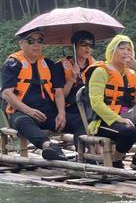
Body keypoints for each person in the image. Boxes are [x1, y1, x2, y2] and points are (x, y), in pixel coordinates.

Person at [85, 34, 136, 172]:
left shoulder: (131, 73)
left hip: (129, 117)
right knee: (129, 131)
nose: (126, 52)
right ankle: (116, 160)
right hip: (104, 121)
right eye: (121, 48)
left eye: (129, 49)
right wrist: (119, 119)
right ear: (112, 51)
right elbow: (96, 102)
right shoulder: (101, 71)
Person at [0, 30, 84, 160]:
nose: (36, 44)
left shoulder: (50, 65)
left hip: (49, 113)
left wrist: (61, 113)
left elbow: (58, 91)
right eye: (31, 41)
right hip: (23, 113)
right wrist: (29, 111)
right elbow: (6, 93)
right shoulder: (12, 64)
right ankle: (49, 147)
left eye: (39, 41)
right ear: (21, 44)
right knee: (21, 121)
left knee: (80, 120)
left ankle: (83, 154)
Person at [56, 30, 96, 118]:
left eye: (91, 45)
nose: (88, 48)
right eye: (84, 44)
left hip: (92, 105)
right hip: (72, 108)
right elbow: (61, 96)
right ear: (74, 45)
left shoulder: (95, 66)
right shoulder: (60, 66)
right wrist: (72, 79)